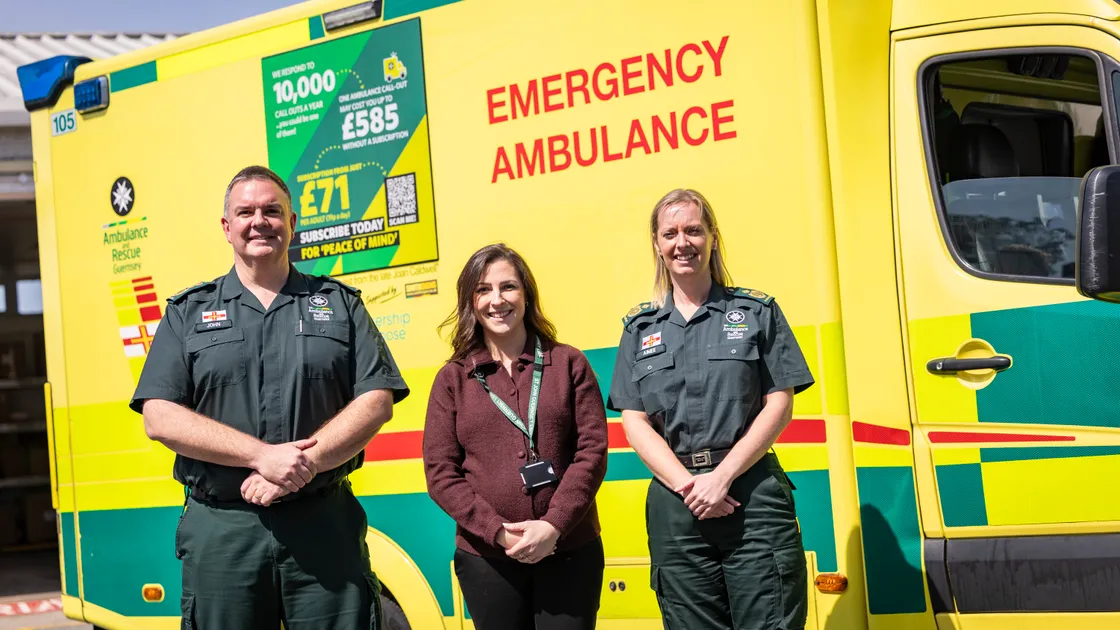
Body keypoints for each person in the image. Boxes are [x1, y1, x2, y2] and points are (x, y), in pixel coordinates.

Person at [130, 165, 410, 629]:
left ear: (292, 222)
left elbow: (376, 399)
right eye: (245, 212)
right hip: (224, 532)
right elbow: (159, 416)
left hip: (322, 525)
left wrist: (301, 468)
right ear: (227, 227)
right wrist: (263, 457)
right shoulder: (188, 313)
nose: (259, 221)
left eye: (272, 211)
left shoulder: (340, 304)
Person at [607, 189, 815, 630]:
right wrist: (690, 487)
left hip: (751, 497)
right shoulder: (639, 330)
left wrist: (721, 478)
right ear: (658, 246)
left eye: (693, 230)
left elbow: (780, 402)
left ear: (712, 238)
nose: (683, 242)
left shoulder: (757, 312)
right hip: (677, 504)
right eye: (670, 233)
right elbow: (634, 420)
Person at [423, 243, 609, 630]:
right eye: (483, 290)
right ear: (470, 302)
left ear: (526, 293)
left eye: (508, 287)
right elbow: (440, 473)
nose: (497, 300)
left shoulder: (568, 363)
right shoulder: (452, 379)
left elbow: (592, 452)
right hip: (488, 560)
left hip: (570, 550)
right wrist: (498, 533)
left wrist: (554, 525)